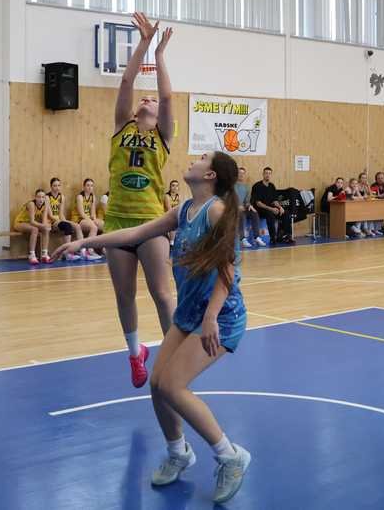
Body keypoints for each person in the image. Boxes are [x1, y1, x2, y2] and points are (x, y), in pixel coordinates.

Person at [55, 152, 251, 504]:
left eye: (202, 158)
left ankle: (230, 455)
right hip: (189, 312)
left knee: (173, 386)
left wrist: (210, 317)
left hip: (220, 316)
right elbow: (135, 233)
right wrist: (85, 242)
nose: (194, 160)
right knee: (158, 385)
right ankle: (178, 452)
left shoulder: (216, 211)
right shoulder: (183, 210)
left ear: (210, 175)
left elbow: (227, 269)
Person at [105, 11, 176, 387]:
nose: (148, 98)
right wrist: (143, 44)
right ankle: (136, 354)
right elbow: (127, 80)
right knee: (124, 295)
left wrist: (159, 54)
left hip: (150, 222)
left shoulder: (163, 134)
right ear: (133, 112)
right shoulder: (121, 127)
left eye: (152, 99)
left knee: (162, 293)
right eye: (142, 99)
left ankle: (174, 360)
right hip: (117, 221)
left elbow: (166, 94)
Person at [47, 177, 90, 262]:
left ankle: (83, 251)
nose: (57, 187)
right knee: (67, 226)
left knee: (77, 226)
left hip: (59, 220)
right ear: (51, 186)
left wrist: (64, 220)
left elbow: (61, 213)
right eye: (55, 185)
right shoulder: (47, 197)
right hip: (51, 222)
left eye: (58, 185)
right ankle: (68, 253)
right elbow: (50, 215)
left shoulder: (61, 197)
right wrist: (61, 221)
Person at [251, 167, 291, 244]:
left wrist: (280, 207)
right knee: (270, 214)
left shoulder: (272, 186)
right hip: (260, 209)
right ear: (263, 174)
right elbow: (258, 203)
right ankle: (273, 238)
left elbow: (275, 201)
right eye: (266, 173)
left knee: (285, 213)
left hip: (271, 208)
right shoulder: (257, 186)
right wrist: (271, 209)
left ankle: (286, 235)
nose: (268, 175)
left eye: (269, 173)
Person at [14, 188, 53, 265]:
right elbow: (32, 221)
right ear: (35, 197)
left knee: (46, 230)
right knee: (35, 229)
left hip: (30, 224)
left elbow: (44, 221)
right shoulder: (31, 204)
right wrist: (43, 226)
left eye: (43, 197)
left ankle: (44, 254)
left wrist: (46, 226)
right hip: (20, 223)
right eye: (39, 197)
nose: (41, 199)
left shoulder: (45, 205)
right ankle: (32, 255)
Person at [234, 167, 265, 249]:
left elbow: (246, 201)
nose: (241, 175)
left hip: (243, 208)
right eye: (239, 173)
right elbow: (227, 200)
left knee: (254, 212)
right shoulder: (231, 186)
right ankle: (242, 239)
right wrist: (237, 206)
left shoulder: (246, 187)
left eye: (243, 173)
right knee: (241, 214)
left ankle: (257, 237)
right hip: (233, 209)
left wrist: (249, 205)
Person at [71, 178, 104, 251]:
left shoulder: (93, 197)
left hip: (88, 219)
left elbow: (93, 213)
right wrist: (92, 222)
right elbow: (82, 214)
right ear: (84, 187)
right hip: (79, 220)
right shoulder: (80, 197)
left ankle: (103, 248)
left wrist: (95, 220)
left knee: (104, 225)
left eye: (91, 186)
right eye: (88, 185)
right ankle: (89, 249)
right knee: (94, 227)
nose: (90, 187)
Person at [164, 180, 182, 247]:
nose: (175, 187)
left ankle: (175, 241)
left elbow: (180, 208)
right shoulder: (167, 196)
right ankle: (171, 243)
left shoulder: (178, 196)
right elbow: (169, 209)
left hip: (174, 215)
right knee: (173, 223)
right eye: (173, 185)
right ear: (170, 187)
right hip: (166, 215)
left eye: (176, 186)